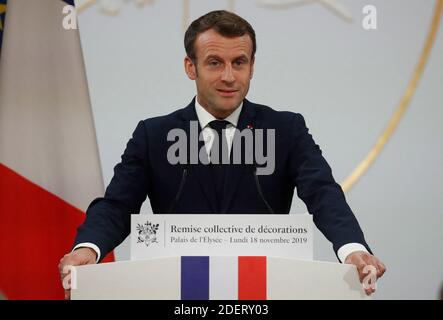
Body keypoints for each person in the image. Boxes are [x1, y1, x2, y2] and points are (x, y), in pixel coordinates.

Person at [59, 10, 386, 299]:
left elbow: (323, 193)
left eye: (239, 62)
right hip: (177, 291)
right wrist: (89, 248)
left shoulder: (286, 128)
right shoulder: (153, 135)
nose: (229, 76)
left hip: (264, 291)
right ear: (191, 67)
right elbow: (117, 205)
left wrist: (352, 249)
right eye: (215, 63)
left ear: (252, 66)